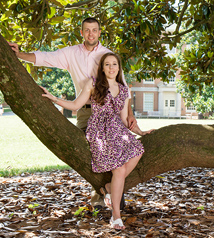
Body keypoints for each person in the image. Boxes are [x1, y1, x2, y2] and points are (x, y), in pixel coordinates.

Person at [9, 17, 136, 209]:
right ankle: (101, 196)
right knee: (90, 153)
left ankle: (113, 199)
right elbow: (45, 57)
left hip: (110, 113)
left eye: (94, 30)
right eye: (87, 30)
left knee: (117, 151)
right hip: (85, 112)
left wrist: (130, 114)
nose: (91, 34)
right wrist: (20, 54)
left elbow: (122, 85)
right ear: (82, 32)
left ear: (99, 33)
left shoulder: (108, 55)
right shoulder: (71, 53)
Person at [41, 53, 153, 230]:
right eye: (107, 64)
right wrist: (55, 99)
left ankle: (109, 186)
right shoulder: (94, 83)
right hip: (99, 131)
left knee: (138, 151)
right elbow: (76, 105)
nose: (111, 68)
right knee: (119, 168)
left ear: (119, 67)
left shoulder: (123, 89)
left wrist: (139, 131)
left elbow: (124, 119)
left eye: (114, 64)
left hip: (117, 129)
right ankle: (116, 215)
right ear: (102, 68)